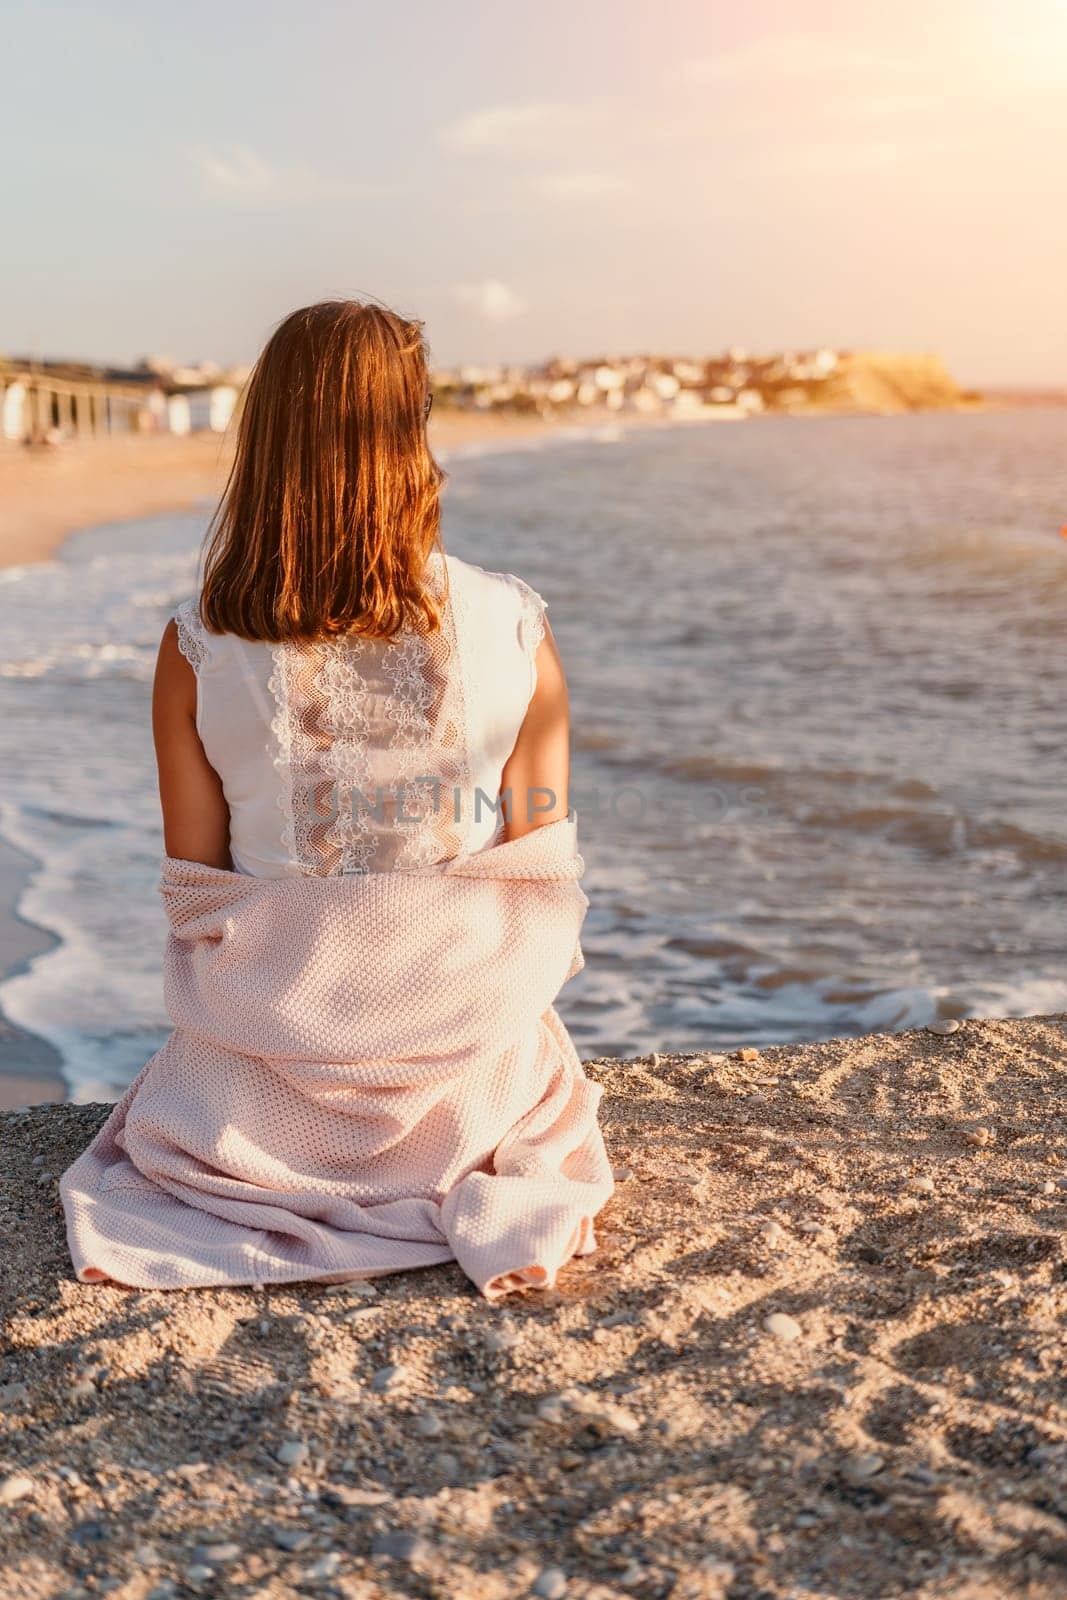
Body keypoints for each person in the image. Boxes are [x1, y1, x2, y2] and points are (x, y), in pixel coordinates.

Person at [59, 299, 614, 1300]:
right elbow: (538, 867)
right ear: (413, 431)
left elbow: (200, 885)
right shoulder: (515, 624)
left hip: (260, 1091)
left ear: (264, 437)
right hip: (464, 1085)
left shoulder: (195, 647)